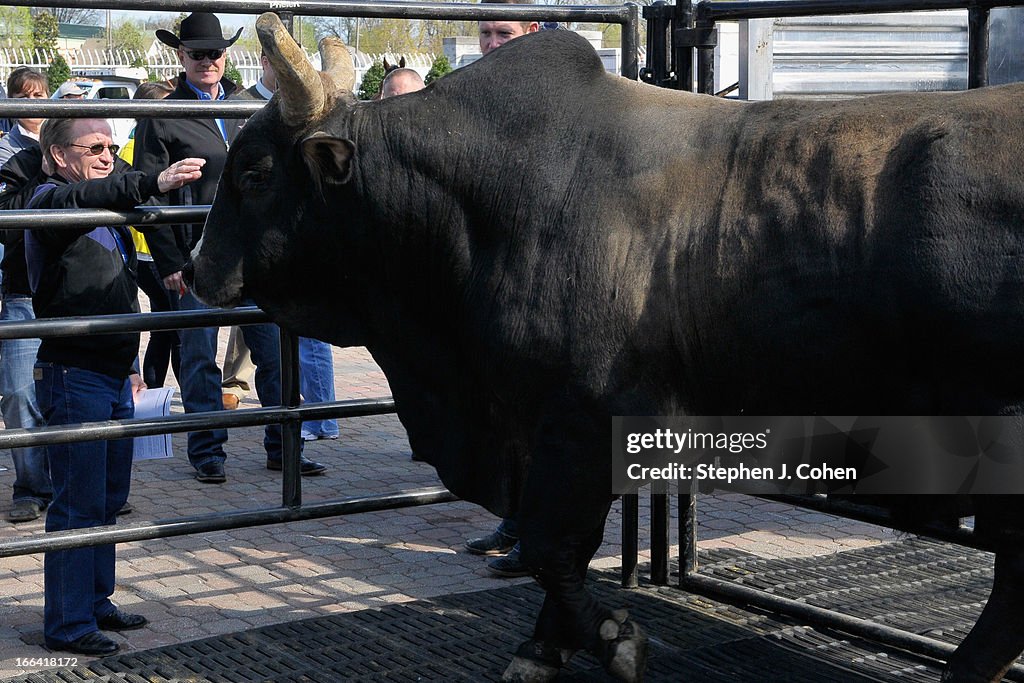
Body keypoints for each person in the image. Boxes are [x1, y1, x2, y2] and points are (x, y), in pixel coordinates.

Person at [28, 116, 204, 655]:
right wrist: (153, 181)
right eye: (96, 146)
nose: (109, 154)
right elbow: (93, 193)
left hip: (109, 372)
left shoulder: (108, 215)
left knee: (107, 497)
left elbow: (120, 292)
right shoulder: (49, 201)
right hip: (71, 372)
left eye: (113, 145)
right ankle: (67, 622)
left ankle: (94, 600)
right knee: (78, 501)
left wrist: (130, 364)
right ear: (58, 154)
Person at [133, 12, 326, 483]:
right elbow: (150, 192)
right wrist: (172, 261)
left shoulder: (250, 109)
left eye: (215, 52)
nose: (208, 61)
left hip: (253, 257)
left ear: (226, 56)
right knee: (198, 357)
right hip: (195, 256)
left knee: (276, 352)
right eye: (197, 53)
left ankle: (284, 445)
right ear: (180, 56)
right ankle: (207, 451)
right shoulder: (161, 115)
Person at [463, 0, 540, 578]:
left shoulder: (553, 99)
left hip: (543, 279)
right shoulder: (469, 96)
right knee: (506, 414)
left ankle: (539, 534)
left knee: (547, 416)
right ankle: (516, 519)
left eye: (504, 33)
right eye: (486, 33)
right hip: (495, 276)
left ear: (532, 33)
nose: (492, 43)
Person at [0, 67, 51, 523]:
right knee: (17, 390)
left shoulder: (89, 152)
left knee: (83, 388)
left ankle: (81, 480)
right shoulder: (14, 161)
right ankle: (31, 485)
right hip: (21, 289)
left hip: (74, 293)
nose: (34, 104)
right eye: (25, 96)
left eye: (41, 96)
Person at [119, 81, 181, 389]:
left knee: (164, 324)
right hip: (151, 250)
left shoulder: (130, 144)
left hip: (144, 252)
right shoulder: (140, 147)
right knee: (174, 326)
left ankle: (157, 390)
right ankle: (170, 392)